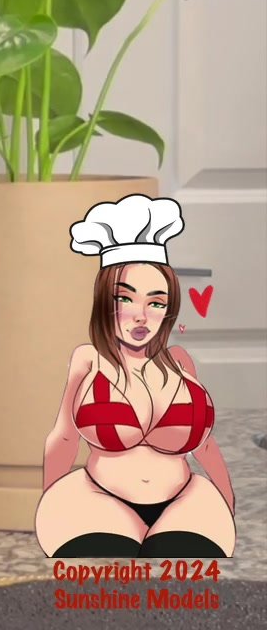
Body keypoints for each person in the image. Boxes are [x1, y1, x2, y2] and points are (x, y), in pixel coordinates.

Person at [35, 195, 236, 557]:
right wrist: (49, 500)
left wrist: (227, 497)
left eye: (156, 302)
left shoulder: (180, 362)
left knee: (189, 565)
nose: (141, 315)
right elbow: (64, 438)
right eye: (125, 299)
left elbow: (205, 444)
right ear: (103, 301)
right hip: (98, 499)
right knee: (106, 564)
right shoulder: (88, 360)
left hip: (186, 501)